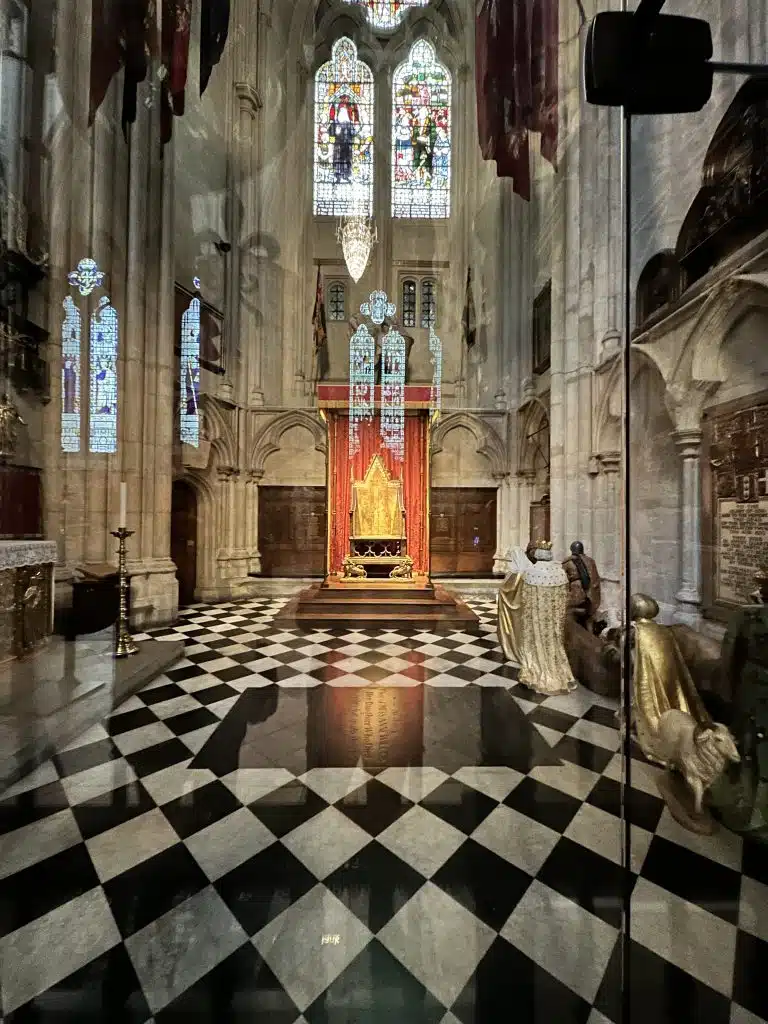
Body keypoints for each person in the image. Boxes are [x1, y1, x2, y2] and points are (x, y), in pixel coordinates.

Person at [517, 542, 576, 694]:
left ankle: (537, 672)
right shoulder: (560, 572)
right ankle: (558, 672)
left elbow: (525, 599)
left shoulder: (530, 572)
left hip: (537, 619)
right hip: (554, 619)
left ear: (537, 555)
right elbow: (564, 597)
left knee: (538, 641)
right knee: (554, 642)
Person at [497, 547, 532, 664]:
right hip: (525, 607)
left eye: (510, 559)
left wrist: (501, 590)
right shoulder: (529, 570)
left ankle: (512, 648)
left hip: (513, 609)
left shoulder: (514, 574)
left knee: (514, 629)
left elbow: (505, 589)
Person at [563, 540, 602, 631]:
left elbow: (562, 580)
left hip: (575, 597)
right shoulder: (591, 561)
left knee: (568, 616)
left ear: (572, 549)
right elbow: (595, 580)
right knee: (589, 620)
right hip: (590, 598)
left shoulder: (567, 562)